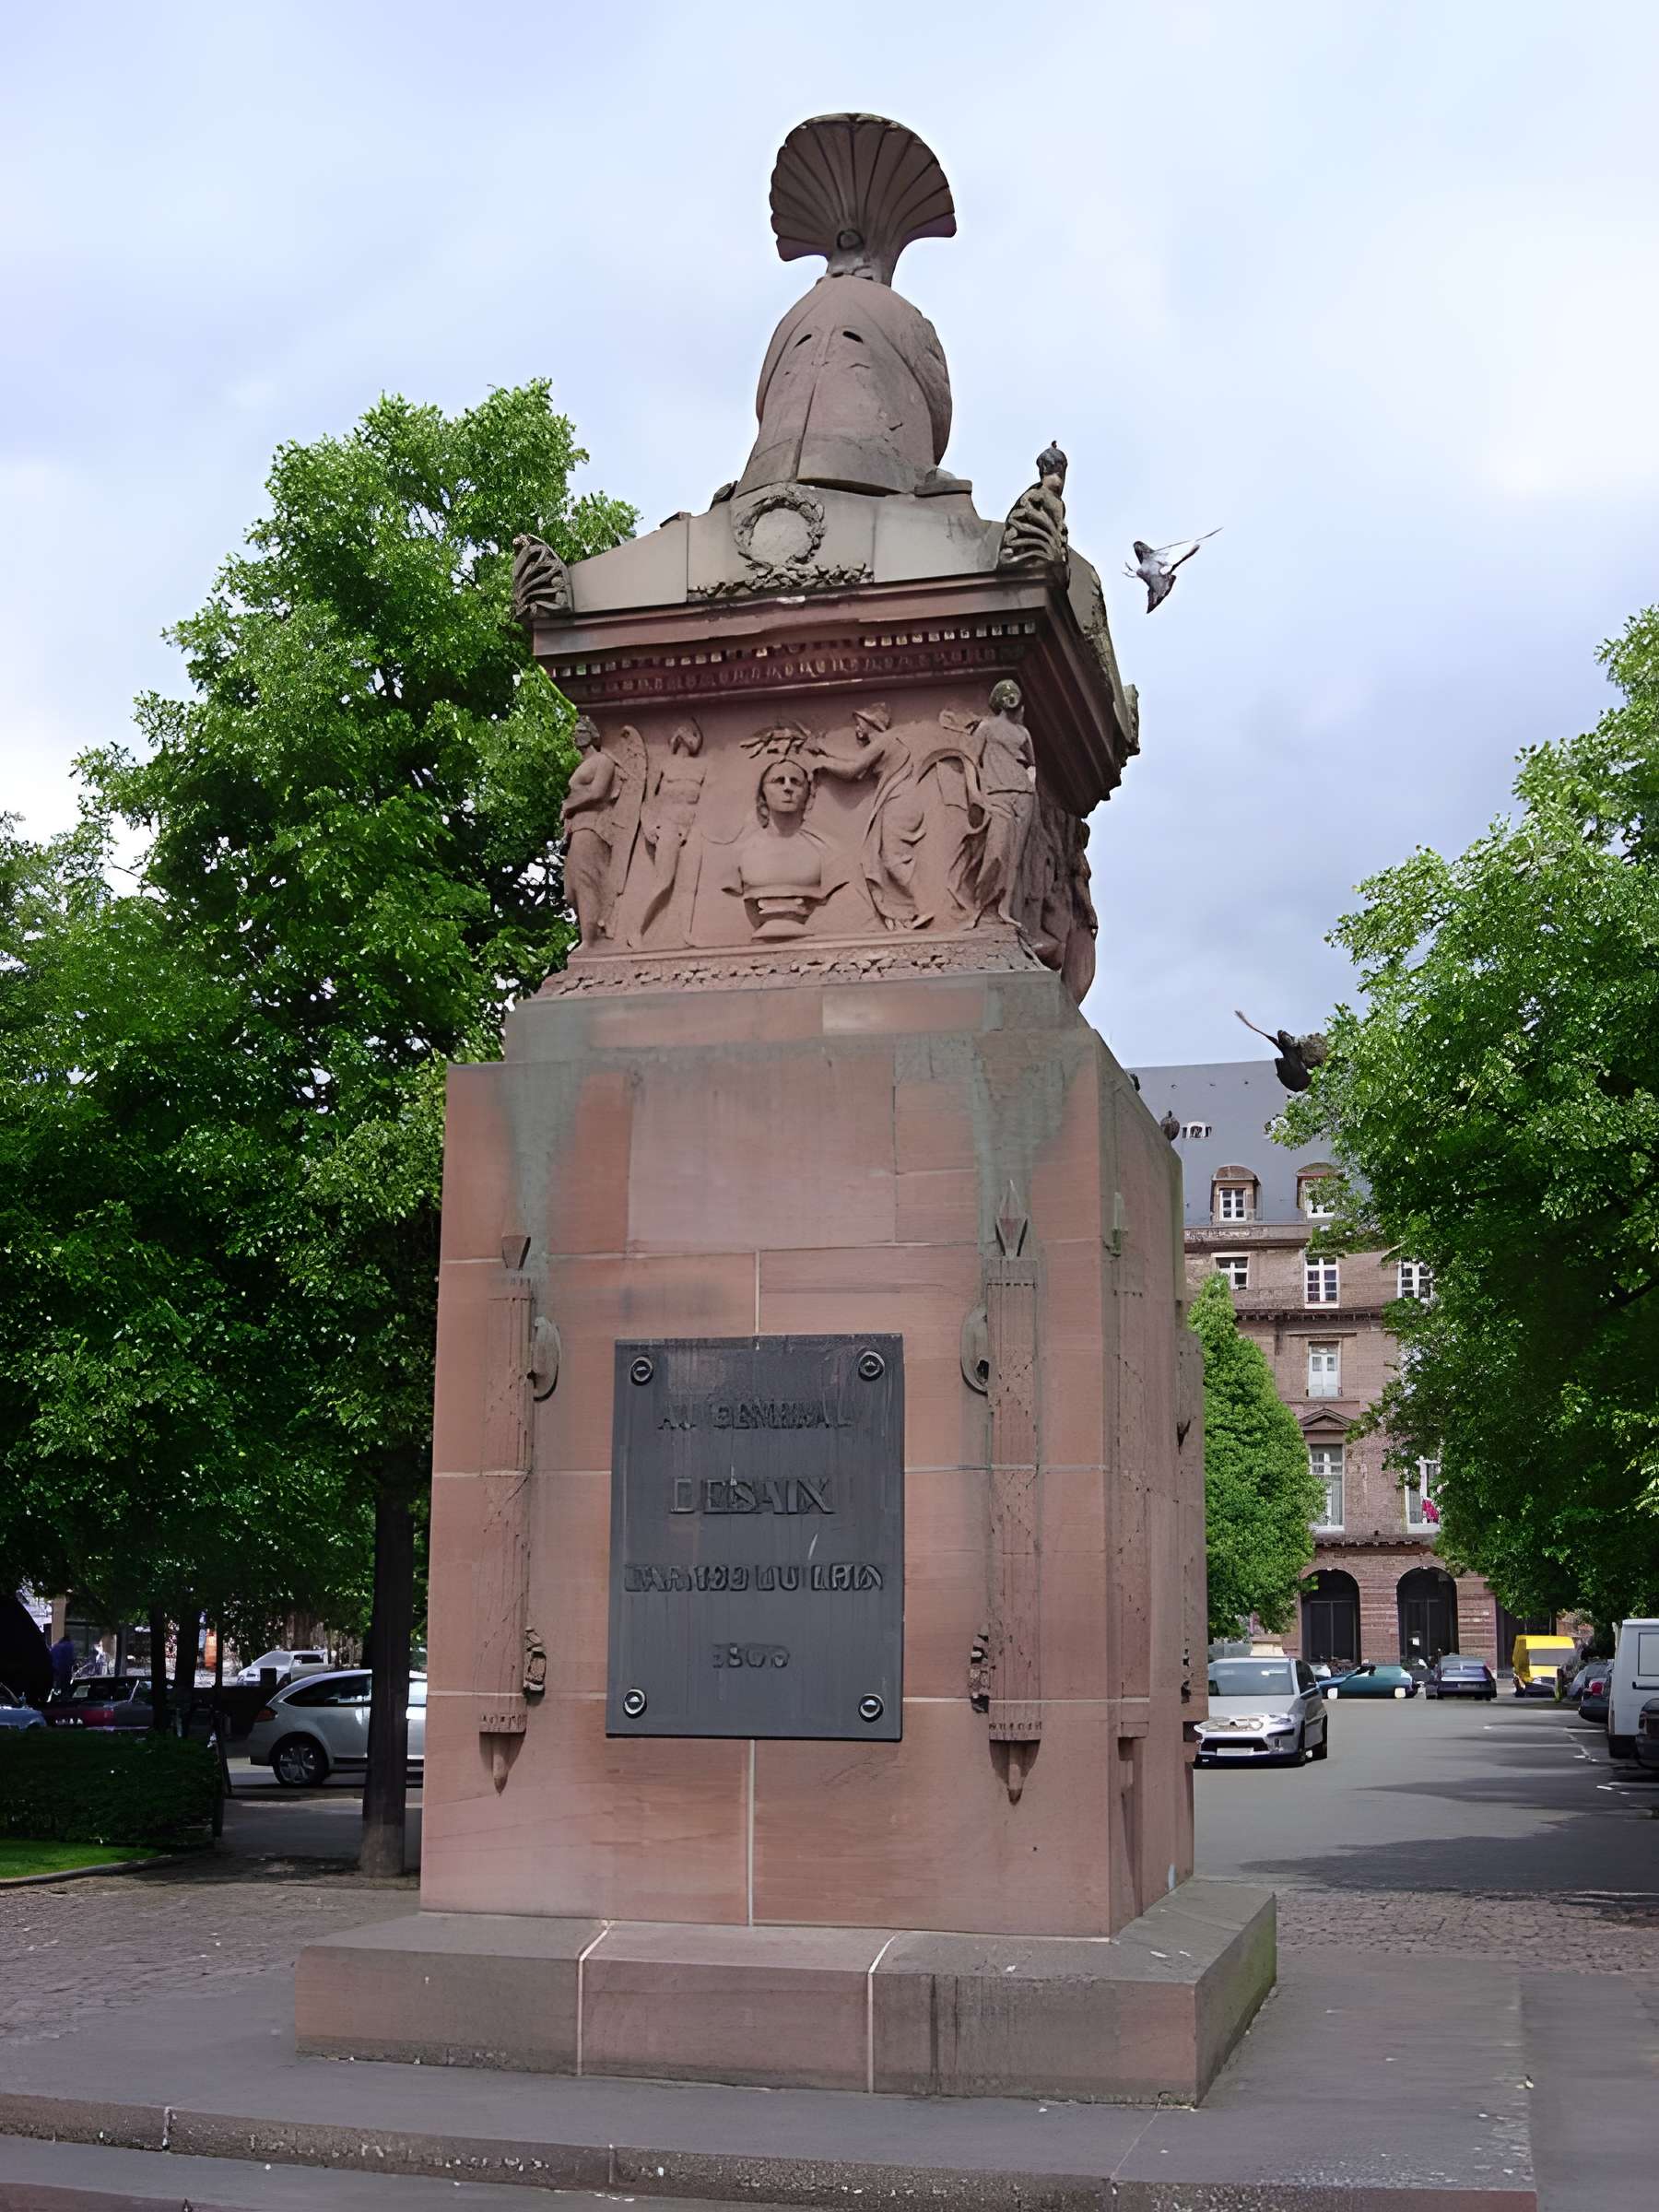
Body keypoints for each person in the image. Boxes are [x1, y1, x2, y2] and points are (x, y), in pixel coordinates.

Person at [49, 1630, 76, 1697]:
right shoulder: (70, 1645)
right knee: (65, 1688)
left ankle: (56, 1697)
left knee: (57, 1686)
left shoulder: (55, 1646)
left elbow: (50, 1657)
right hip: (66, 1669)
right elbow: (72, 1658)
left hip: (55, 1670)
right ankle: (65, 1697)